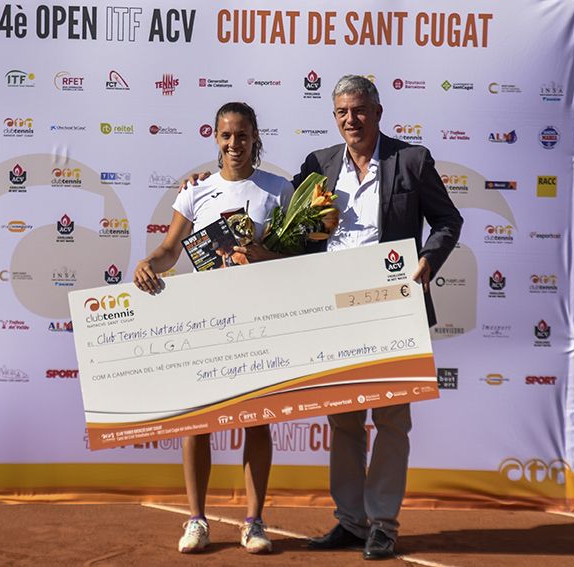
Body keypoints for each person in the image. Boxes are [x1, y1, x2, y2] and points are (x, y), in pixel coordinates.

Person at [182, 75, 463, 560]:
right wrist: (200, 184)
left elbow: (447, 221)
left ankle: (383, 522)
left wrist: (428, 260)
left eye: (359, 110)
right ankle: (351, 521)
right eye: (342, 112)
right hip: (336, 309)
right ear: (334, 117)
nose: (351, 120)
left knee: (391, 420)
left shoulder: (411, 161)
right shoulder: (319, 165)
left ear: (377, 112)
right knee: (344, 419)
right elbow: (269, 205)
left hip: (394, 305)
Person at [133, 101, 293, 555]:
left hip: (260, 320)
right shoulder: (195, 192)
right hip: (205, 322)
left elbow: (298, 259)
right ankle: (197, 520)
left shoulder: (279, 190)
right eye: (226, 135)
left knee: (256, 422)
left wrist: (265, 257)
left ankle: (254, 522)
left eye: (242, 134)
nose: (234, 143)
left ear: (255, 136)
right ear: (215, 138)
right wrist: (149, 264)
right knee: (198, 423)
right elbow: (170, 249)